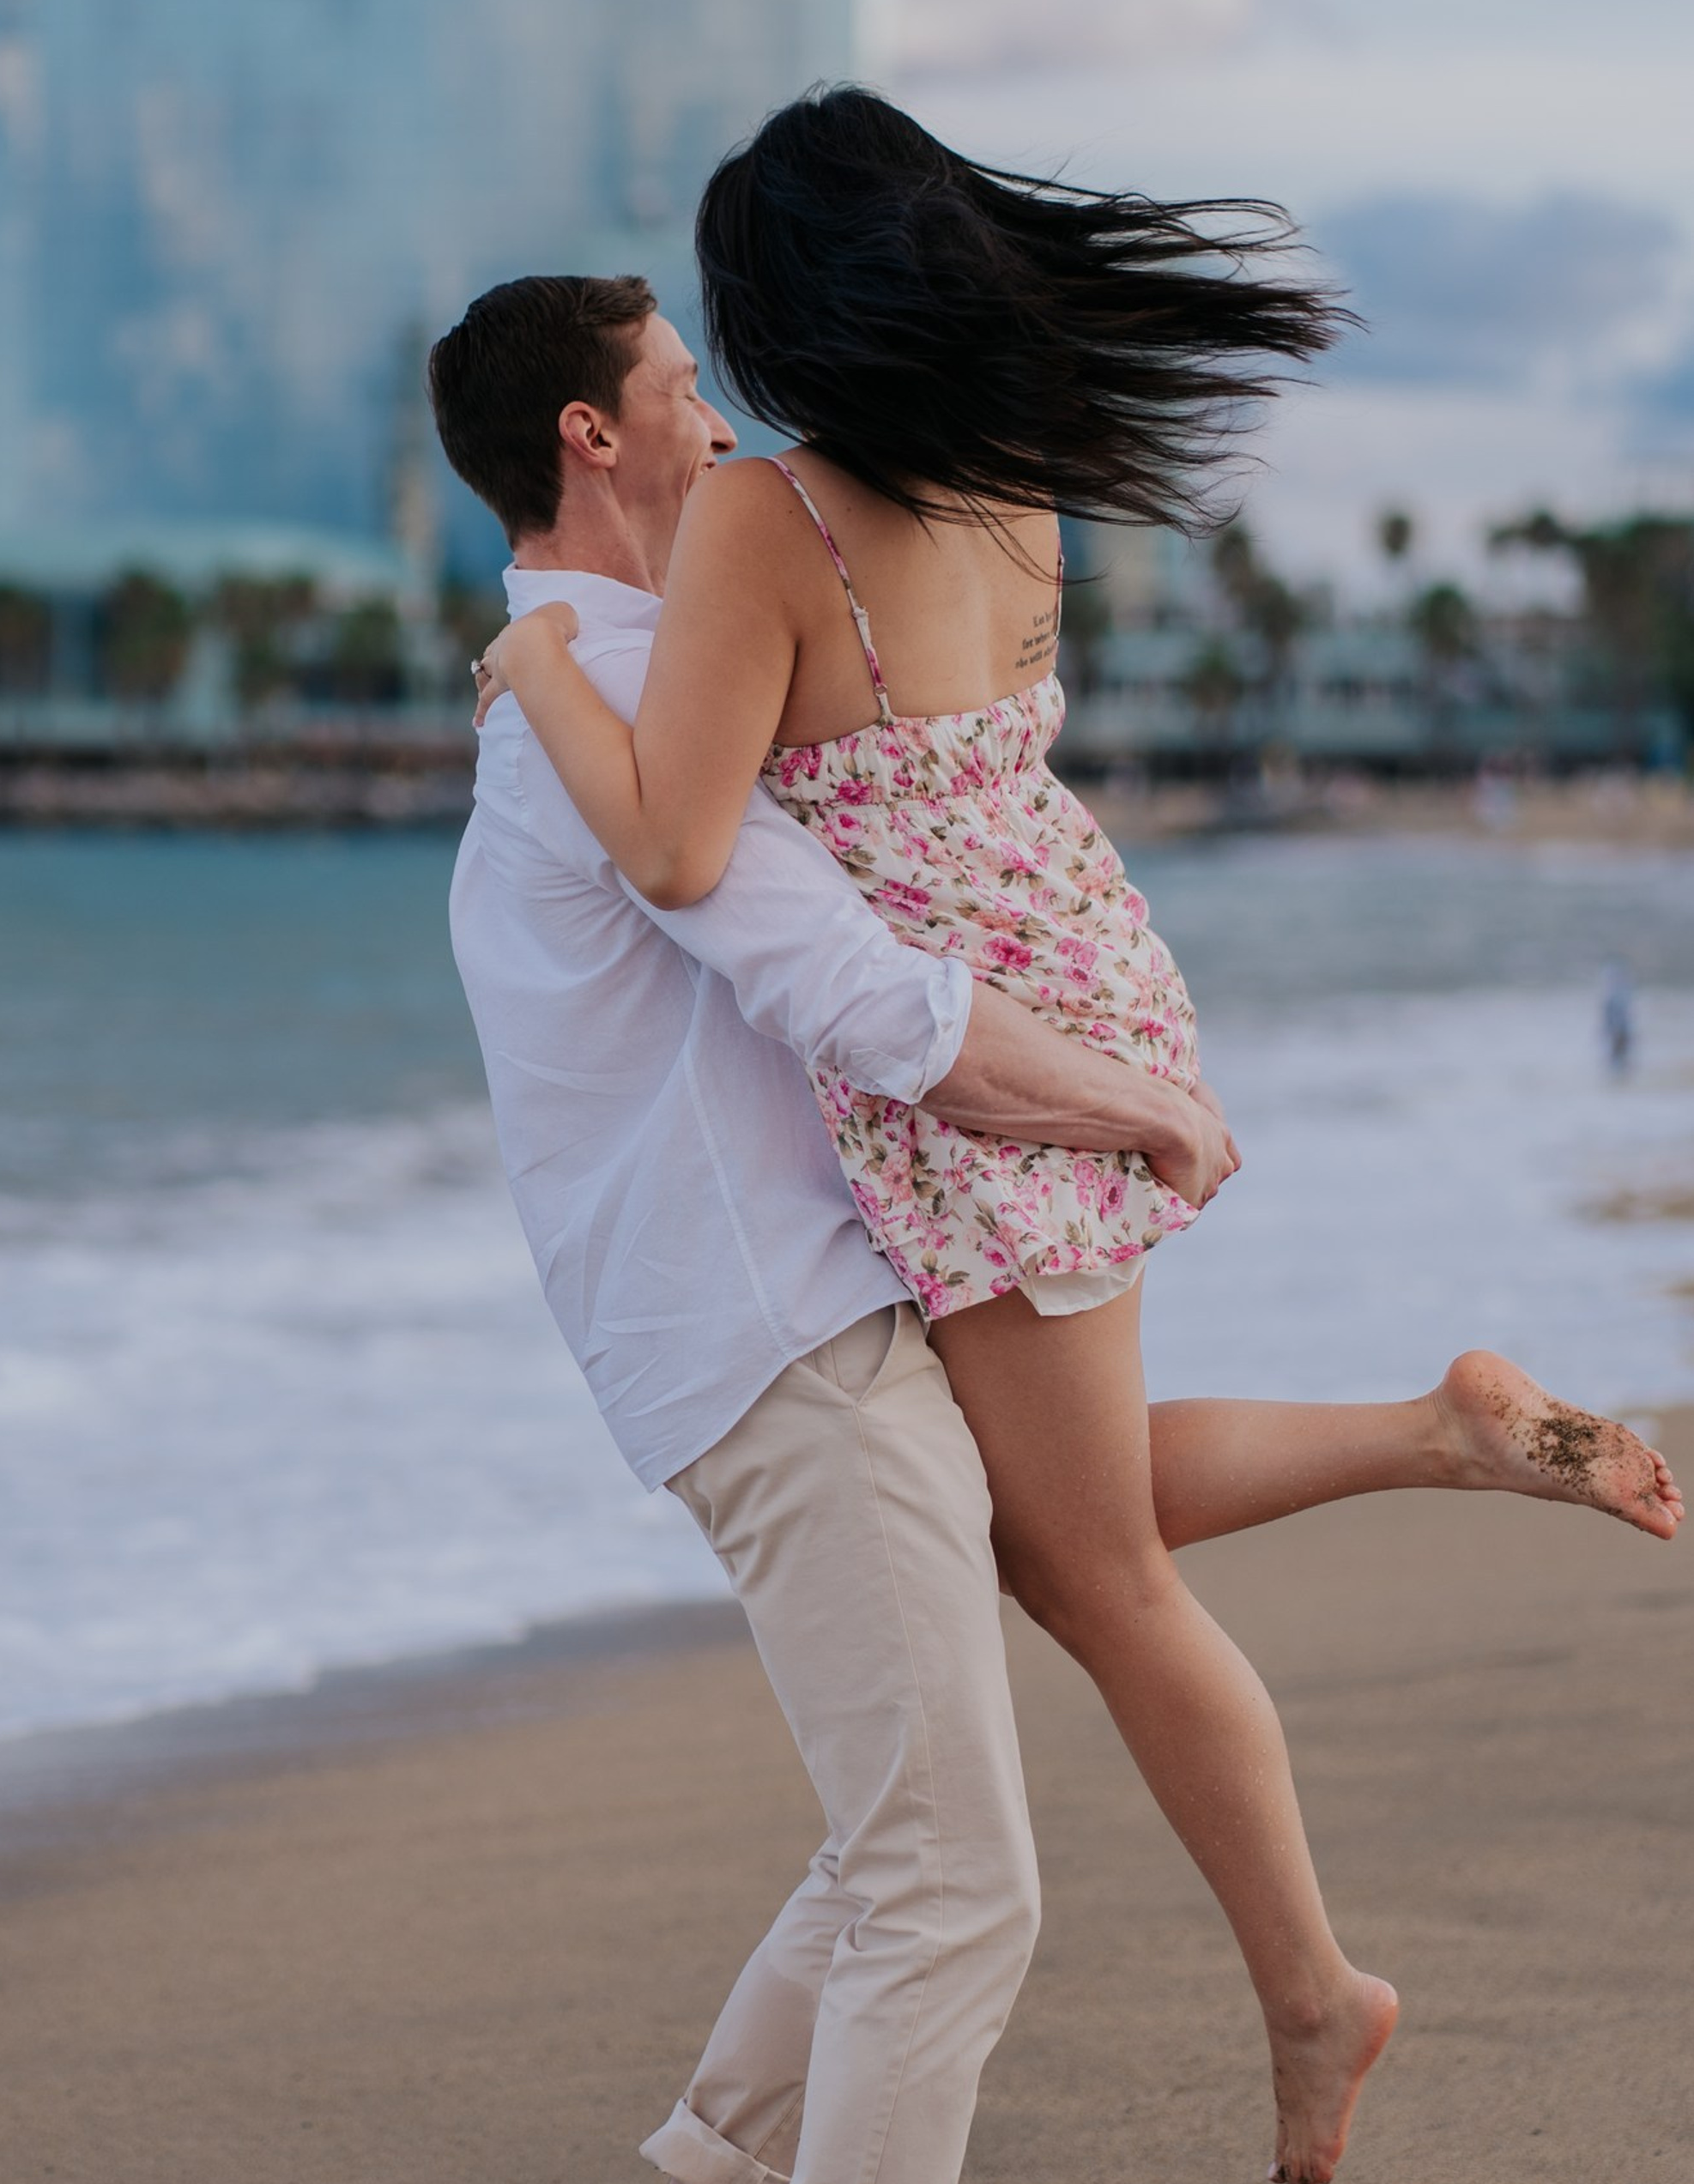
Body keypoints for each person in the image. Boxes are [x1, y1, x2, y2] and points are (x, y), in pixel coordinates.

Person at [433, 270, 1680, 2184]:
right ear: (586, 437)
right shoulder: (600, 680)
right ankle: (1411, 1522)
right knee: (951, 1885)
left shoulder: (620, 661)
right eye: (681, 391)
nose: (721, 423)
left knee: (992, 1663)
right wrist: (1140, 1100)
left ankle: (706, 2159)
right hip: (787, 1337)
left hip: (801, 1302)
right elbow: (849, 987)